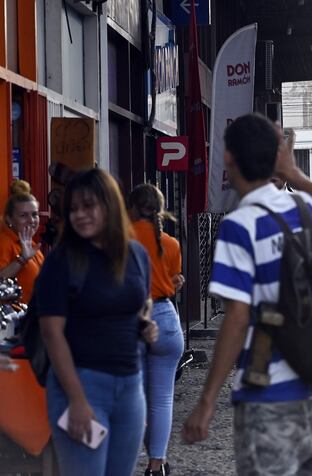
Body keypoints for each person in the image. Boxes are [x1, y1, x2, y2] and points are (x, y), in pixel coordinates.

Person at [181, 113, 312, 476]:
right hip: (306, 376)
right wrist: (294, 175)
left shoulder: (240, 226)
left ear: (228, 160)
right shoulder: (302, 208)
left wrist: (207, 401)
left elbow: (237, 318)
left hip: (265, 383)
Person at [37, 169, 158, 476]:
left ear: (110, 205)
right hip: (81, 384)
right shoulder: (62, 260)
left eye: (88, 206)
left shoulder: (136, 255)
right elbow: (52, 333)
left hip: (130, 385)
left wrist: (145, 323)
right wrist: (76, 400)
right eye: (73, 209)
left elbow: (141, 301)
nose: (79, 215)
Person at [128, 184, 185, 476]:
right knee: (162, 399)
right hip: (165, 317)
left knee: (135, 397)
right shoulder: (171, 244)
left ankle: (129, 461)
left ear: (132, 206)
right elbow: (171, 282)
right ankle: (156, 464)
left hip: (131, 320)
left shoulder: (120, 239)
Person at [0, 180, 44, 304]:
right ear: (9, 219)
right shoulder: (4, 243)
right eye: (23, 215)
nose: (31, 220)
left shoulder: (31, 243)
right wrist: (22, 259)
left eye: (35, 214)